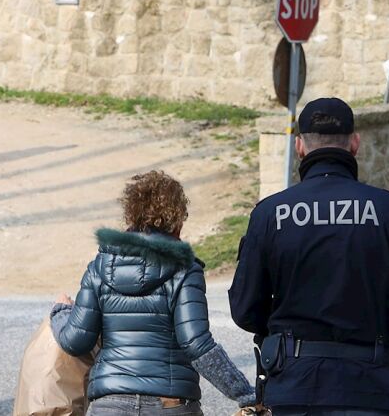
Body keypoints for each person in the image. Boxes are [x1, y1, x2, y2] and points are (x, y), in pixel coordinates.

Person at [229, 98, 389, 416]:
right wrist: (383, 321)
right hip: (372, 387)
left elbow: (245, 309)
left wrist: (285, 330)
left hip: (293, 387)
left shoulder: (270, 214)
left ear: (300, 146)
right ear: (354, 143)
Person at [51, 171, 258, 415]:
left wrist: (61, 312)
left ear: (130, 215)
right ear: (177, 221)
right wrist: (245, 394)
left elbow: (76, 341)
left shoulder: (100, 267)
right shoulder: (185, 270)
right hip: (170, 404)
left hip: (110, 404)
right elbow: (196, 344)